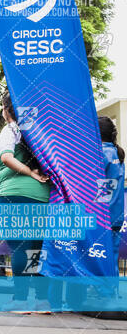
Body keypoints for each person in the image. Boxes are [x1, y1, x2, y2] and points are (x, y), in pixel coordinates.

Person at [0, 92, 50, 312]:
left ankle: (20, 301)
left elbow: (6, 158)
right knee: (37, 248)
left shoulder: (10, 129)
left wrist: (28, 172)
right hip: (42, 196)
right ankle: (42, 301)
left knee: (19, 245)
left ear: (8, 110)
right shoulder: (40, 133)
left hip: (15, 195)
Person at [99, 116, 125, 297]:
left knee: (100, 255)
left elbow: (102, 189)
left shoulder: (100, 154)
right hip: (116, 214)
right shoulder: (117, 153)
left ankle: (104, 293)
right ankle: (111, 293)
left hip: (102, 214)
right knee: (112, 255)